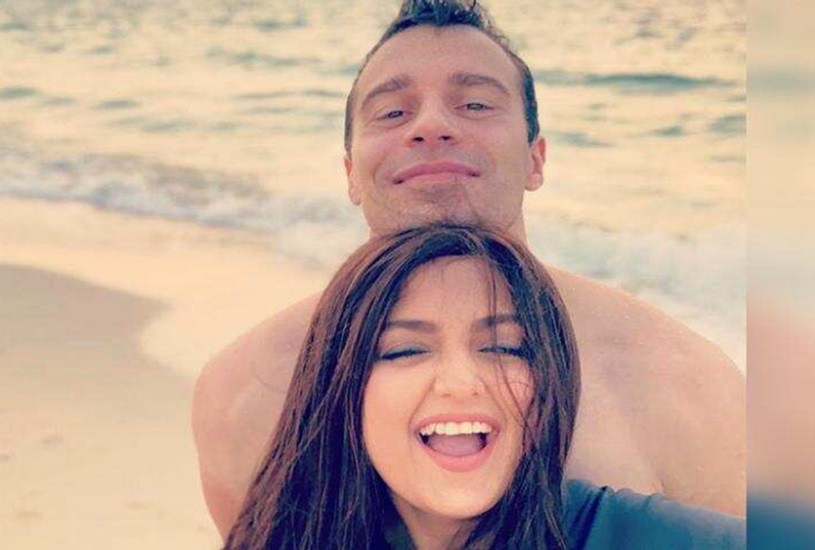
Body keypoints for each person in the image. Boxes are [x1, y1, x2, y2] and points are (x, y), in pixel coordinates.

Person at [192, 0, 746, 537]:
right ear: (350, 172)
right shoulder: (245, 387)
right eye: (392, 112)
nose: (431, 125)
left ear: (536, 158)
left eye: (475, 105)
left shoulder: (685, 384)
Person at [223, 224, 744, 549]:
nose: (459, 383)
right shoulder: (288, 535)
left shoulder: (641, 535)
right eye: (404, 350)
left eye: (505, 348)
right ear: (341, 390)